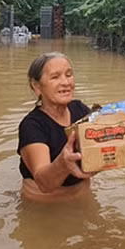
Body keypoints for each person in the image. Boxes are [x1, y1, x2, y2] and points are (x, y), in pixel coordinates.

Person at [17, 52, 94, 203]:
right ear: (37, 86)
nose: (66, 82)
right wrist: (63, 164)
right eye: (55, 77)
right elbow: (44, 183)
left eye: (69, 75)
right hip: (43, 208)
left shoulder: (81, 110)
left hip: (83, 198)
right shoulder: (32, 126)